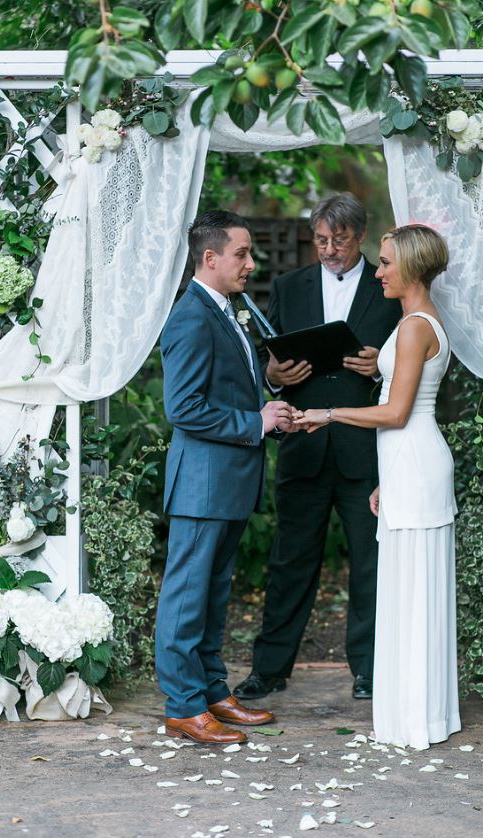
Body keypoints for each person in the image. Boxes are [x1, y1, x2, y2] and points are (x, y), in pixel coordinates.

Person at [296, 224, 461, 749]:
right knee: (409, 587)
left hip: (415, 459)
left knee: (413, 589)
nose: (379, 270)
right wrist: (386, 480)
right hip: (407, 465)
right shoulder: (416, 321)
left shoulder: (414, 326)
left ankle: (416, 718)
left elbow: (396, 412)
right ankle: (422, 712)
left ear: (410, 267)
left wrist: (326, 413)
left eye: (386, 262)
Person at [234, 193, 401, 703]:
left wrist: (381, 367)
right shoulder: (289, 286)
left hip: (366, 450)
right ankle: (270, 668)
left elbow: (408, 366)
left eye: (340, 240)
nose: (329, 249)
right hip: (303, 446)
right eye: (322, 240)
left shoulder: (388, 288)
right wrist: (273, 375)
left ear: (360, 235)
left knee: (372, 566)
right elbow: (272, 364)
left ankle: (369, 670)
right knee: (289, 563)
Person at [156, 210, 299, 744]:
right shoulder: (191, 315)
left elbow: (228, 394)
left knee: (213, 598)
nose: (250, 263)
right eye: (241, 253)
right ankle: (183, 706)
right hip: (202, 484)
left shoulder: (228, 309)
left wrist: (272, 414)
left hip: (229, 482)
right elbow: (184, 407)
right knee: (186, 598)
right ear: (210, 258)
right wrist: (254, 422)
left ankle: (213, 692)